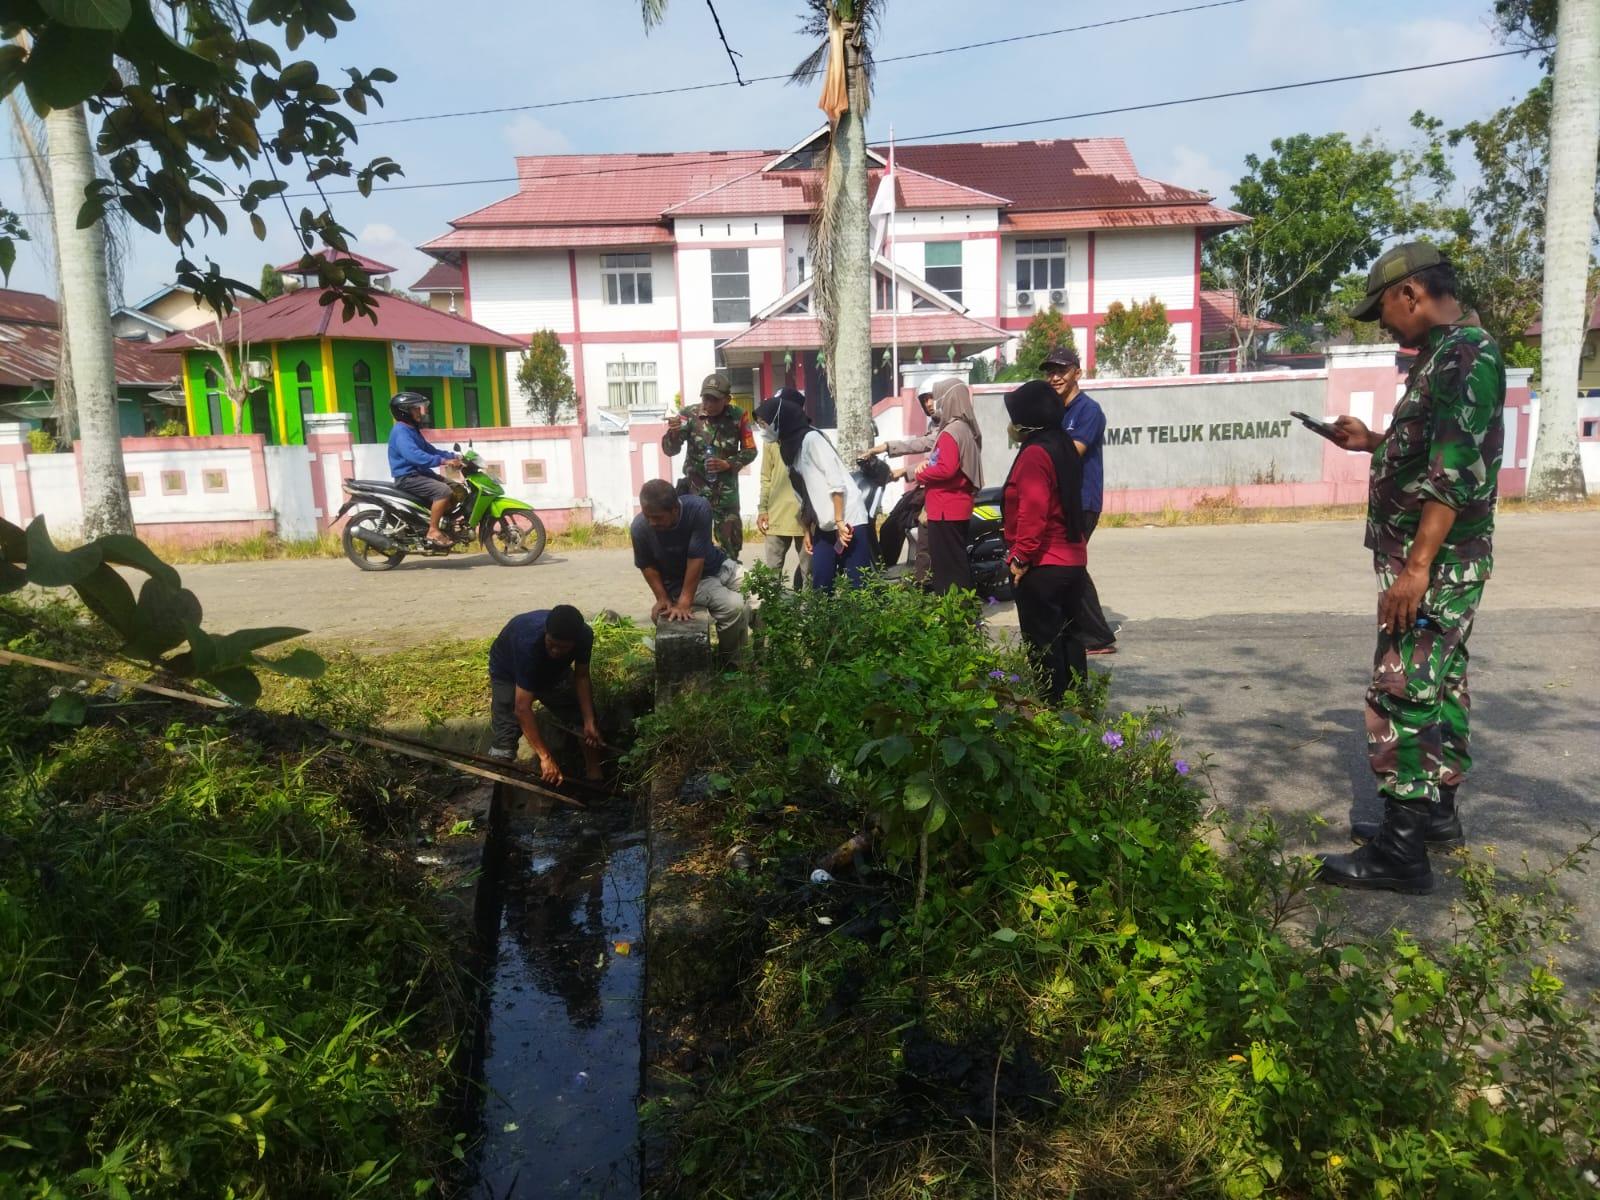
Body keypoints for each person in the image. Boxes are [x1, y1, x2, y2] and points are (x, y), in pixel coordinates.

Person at [1316, 243, 1505, 896]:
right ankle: (1433, 819)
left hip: (1435, 564)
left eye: (1385, 311)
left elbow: (1453, 477)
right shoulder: (1446, 356)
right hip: (1441, 563)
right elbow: (1433, 448)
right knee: (1442, 684)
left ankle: (1400, 852)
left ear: (1413, 294)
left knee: (1400, 688)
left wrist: (1416, 567)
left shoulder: (1464, 358)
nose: (1385, 325)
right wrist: (1372, 442)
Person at [1002, 380, 1090, 704]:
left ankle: (1053, 715)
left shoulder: (1035, 454)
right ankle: (1078, 709)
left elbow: (1033, 510)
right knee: (1069, 639)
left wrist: (1021, 558)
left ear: (1028, 417)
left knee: (1044, 646)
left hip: (1043, 564)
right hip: (1072, 561)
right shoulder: (1063, 444)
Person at [754, 389, 872, 593]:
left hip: (848, 519)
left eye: (765, 424)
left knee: (857, 586)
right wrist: (806, 530)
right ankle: (827, 625)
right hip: (824, 523)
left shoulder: (812, 440)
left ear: (780, 419)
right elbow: (802, 496)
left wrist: (839, 522)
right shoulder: (788, 448)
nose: (763, 429)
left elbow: (836, 482)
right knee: (821, 583)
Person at [1042, 343, 1117, 655]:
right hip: (1060, 501)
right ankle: (1082, 630)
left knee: (1070, 565)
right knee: (1067, 565)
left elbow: (1073, 453)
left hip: (1082, 501)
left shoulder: (1088, 411)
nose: (1056, 377)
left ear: (1077, 373)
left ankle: (1096, 635)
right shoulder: (1055, 412)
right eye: (1051, 372)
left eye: (1062, 370)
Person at [631, 479, 748, 664]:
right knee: (735, 606)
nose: (652, 522)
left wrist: (685, 602)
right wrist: (663, 598)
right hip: (685, 581)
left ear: (675, 509)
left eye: (658, 517)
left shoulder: (698, 508)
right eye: (647, 516)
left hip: (719, 566)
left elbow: (696, 557)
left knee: (764, 592)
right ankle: (730, 662)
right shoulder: (639, 528)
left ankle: (764, 657)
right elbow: (647, 565)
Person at [487, 605, 605, 784]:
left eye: (563, 648)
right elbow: (522, 708)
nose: (556, 651)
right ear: (545, 633)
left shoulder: (584, 636)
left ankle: (595, 776)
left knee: (581, 719)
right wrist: (545, 757)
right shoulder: (528, 643)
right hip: (508, 672)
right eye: (551, 644)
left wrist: (589, 721)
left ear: (574, 641)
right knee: (507, 730)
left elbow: (581, 677)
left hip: (553, 672)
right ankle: (501, 785)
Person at [662, 372, 758, 558]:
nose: (708, 404)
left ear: (727, 399)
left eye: (714, 399)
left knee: (730, 549)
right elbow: (670, 450)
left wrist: (728, 464)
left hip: (725, 495)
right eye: (705, 398)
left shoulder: (738, 416)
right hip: (694, 493)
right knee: (690, 547)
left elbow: (751, 450)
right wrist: (673, 434)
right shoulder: (688, 415)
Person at [910, 377, 983, 593]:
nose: (935, 404)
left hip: (945, 508)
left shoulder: (951, 432)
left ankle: (954, 613)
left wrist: (921, 474)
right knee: (957, 562)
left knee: (947, 568)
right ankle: (963, 611)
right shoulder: (966, 429)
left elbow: (946, 468)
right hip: (956, 506)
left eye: (938, 398)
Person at [865, 379, 944, 572]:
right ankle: (886, 571)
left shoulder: (948, 426)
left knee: (898, 525)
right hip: (927, 485)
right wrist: (902, 472)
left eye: (932, 398)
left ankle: (915, 576)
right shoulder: (935, 424)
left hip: (939, 490)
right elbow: (930, 459)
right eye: (924, 400)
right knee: (890, 525)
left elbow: (922, 445)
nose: (928, 404)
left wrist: (887, 447)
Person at [386, 391, 462, 549]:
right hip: (408, 477)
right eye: (416, 409)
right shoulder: (401, 431)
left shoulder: (412, 430)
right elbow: (415, 456)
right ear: (405, 411)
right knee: (443, 492)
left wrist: (455, 456)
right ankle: (433, 530)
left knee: (458, 489)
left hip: (420, 475)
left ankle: (442, 523)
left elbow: (429, 449)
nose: (421, 412)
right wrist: (443, 461)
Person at [757, 434, 811, 588]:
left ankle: (810, 610)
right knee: (772, 575)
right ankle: (772, 610)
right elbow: (766, 478)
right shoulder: (771, 440)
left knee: (809, 574)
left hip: (807, 515)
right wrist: (762, 510)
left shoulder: (811, 437)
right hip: (776, 515)